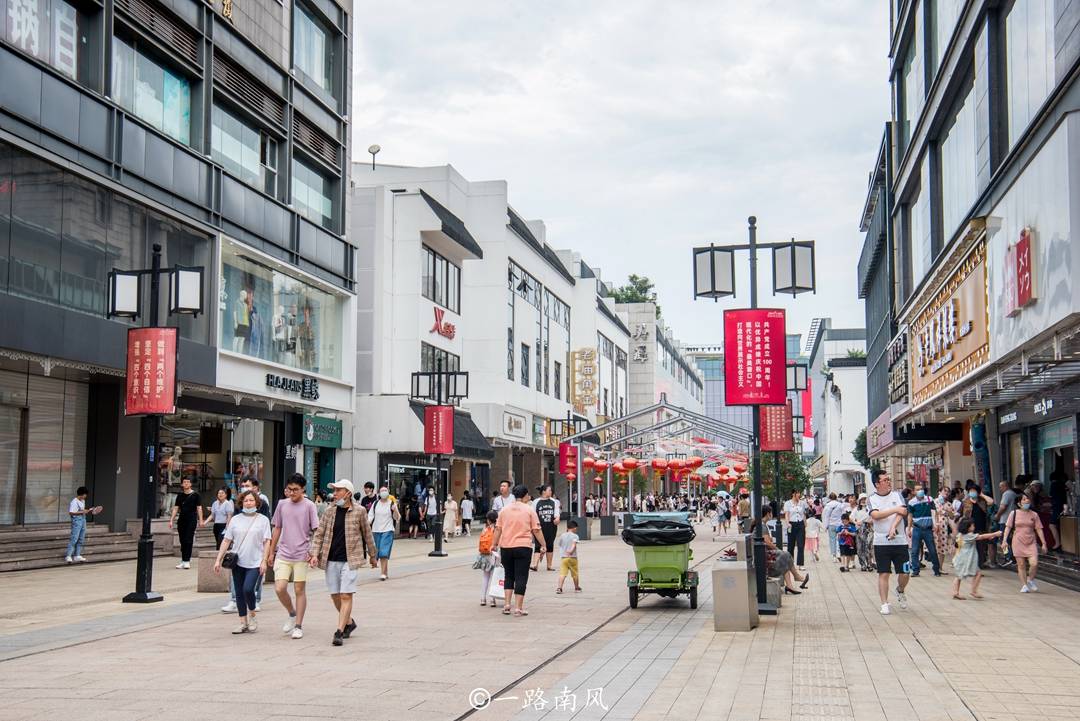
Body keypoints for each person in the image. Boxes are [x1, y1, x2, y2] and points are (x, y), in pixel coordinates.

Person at [308, 480, 377, 647]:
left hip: (350, 560)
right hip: (330, 559)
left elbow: (367, 534)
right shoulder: (329, 511)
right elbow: (319, 534)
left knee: (346, 594)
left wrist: (373, 555)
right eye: (335, 490)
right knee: (335, 595)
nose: (335, 493)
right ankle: (349, 622)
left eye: (339, 490)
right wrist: (314, 554)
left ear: (348, 493)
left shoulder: (359, 511)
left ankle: (339, 631)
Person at [268, 473, 320, 640]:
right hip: (283, 552)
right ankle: (291, 613)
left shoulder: (310, 506)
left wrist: (313, 552)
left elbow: (316, 530)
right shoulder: (282, 504)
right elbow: (277, 528)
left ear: (303, 489)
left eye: (296, 490)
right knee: (280, 588)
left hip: (302, 553)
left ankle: (298, 625)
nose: (292, 493)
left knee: (299, 589)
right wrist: (271, 551)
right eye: (290, 489)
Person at [213, 490, 272, 634]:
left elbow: (267, 542)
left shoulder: (263, 520)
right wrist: (218, 559)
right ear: (241, 503)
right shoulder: (235, 519)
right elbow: (227, 540)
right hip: (238, 561)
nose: (248, 503)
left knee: (248, 589)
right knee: (239, 592)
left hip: (255, 561)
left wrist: (264, 561)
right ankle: (242, 622)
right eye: (246, 500)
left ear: (257, 502)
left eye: (251, 500)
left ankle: (252, 614)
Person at [492, 484, 545, 617]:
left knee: (508, 576)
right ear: (526, 495)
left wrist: (494, 543)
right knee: (521, 577)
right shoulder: (529, 510)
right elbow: (536, 530)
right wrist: (543, 544)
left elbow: (498, 529)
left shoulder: (504, 510)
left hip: (506, 547)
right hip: (523, 547)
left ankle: (507, 605)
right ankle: (518, 608)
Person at [867, 473, 910, 615]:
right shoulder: (872, 499)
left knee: (905, 572)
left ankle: (900, 590)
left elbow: (902, 511)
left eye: (888, 479)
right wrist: (894, 509)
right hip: (881, 542)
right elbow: (875, 515)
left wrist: (893, 527)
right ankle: (884, 603)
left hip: (900, 541)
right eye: (885, 480)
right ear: (877, 484)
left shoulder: (897, 495)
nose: (888, 482)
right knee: (883, 573)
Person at [1002, 490, 1049, 593]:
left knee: (1034, 563)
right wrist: (1004, 540)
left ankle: (1030, 579)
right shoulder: (1013, 513)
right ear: (1019, 503)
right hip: (1018, 541)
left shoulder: (1034, 515)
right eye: (1024, 499)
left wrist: (1044, 543)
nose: (1027, 501)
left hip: (1031, 541)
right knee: (1021, 565)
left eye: (1027, 499)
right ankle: (1024, 585)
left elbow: (1039, 529)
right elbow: (1008, 528)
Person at [759, 507, 810, 593]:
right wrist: (778, 549)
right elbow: (767, 543)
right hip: (762, 555)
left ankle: (791, 584)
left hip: (763, 552)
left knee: (785, 556)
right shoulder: (762, 526)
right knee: (785, 555)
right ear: (768, 513)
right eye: (771, 513)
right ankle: (795, 578)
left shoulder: (762, 525)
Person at [950, 518, 1002, 600]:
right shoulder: (969, 536)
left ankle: (956, 592)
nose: (974, 526)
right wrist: (995, 534)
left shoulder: (960, 534)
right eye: (972, 525)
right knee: (977, 573)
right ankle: (973, 591)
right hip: (966, 560)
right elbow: (981, 537)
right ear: (968, 527)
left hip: (960, 558)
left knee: (959, 576)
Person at [907, 483, 941, 577]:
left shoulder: (929, 499)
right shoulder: (911, 502)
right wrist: (909, 529)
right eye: (917, 490)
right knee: (914, 551)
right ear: (914, 492)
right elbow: (910, 516)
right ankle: (915, 570)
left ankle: (937, 570)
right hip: (917, 528)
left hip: (928, 529)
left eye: (921, 489)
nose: (920, 491)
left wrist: (936, 524)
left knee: (932, 550)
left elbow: (935, 512)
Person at [169, 477, 203, 569]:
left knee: (188, 539)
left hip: (191, 519)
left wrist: (201, 520)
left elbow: (199, 508)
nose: (186, 483)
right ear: (182, 484)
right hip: (181, 519)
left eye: (188, 482)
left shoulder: (196, 495)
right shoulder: (179, 495)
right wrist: (171, 520)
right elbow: (176, 508)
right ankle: (183, 560)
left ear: (191, 484)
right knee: (182, 540)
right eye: (184, 482)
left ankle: (187, 560)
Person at [369, 484, 400, 580]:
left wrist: (395, 511)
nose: (384, 492)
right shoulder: (375, 504)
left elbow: (397, 518)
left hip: (388, 530)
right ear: (379, 493)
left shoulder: (392, 504)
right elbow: (370, 516)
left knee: (383, 552)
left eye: (385, 490)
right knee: (377, 552)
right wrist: (365, 525)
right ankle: (385, 572)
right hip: (376, 530)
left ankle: (382, 573)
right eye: (382, 490)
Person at [65, 486, 100, 563]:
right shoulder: (74, 502)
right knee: (74, 538)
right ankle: (68, 556)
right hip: (76, 521)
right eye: (85, 494)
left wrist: (89, 510)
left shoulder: (83, 501)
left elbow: (82, 510)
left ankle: (77, 555)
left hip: (83, 520)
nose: (86, 496)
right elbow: (71, 512)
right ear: (82, 494)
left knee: (81, 538)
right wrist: (82, 512)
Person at [474, 511, 500, 606]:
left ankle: (483, 598)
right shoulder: (498, 530)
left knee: (485, 577)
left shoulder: (485, 529)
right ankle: (492, 599)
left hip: (485, 555)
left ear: (488, 520)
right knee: (494, 577)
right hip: (494, 555)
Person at [531, 485, 559, 572]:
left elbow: (557, 514)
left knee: (550, 545)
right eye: (549, 490)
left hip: (551, 527)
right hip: (539, 527)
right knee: (538, 545)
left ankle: (549, 565)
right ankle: (535, 565)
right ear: (543, 491)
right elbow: (532, 514)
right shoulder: (536, 502)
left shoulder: (554, 501)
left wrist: (557, 519)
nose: (551, 492)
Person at [782, 490, 809, 567]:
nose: (799, 495)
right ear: (793, 494)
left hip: (800, 524)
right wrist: (788, 523)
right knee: (791, 545)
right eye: (797, 493)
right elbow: (787, 514)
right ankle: (790, 563)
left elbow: (803, 514)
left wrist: (805, 523)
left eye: (799, 493)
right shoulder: (787, 503)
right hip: (791, 524)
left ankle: (800, 564)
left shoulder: (802, 503)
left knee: (801, 544)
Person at [556, 519, 581, 593]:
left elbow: (560, 544)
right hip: (573, 558)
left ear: (567, 528)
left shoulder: (562, 535)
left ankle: (559, 588)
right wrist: (571, 551)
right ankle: (576, 588)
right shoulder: (575, 536)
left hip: (564, 558)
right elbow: (574, 544)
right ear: (575, 528)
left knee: (562, 573)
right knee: (575, 574)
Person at [852, 494, 874, 571]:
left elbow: (874, 518)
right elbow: (851, 518)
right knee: (860, 548)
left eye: (865, 499)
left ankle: (869, 564)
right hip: (859, 530)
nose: (864, 501)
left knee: (868, 547)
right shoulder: (856, 509)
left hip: (869, 529)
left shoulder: (870, 508)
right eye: (862, 499)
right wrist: (856, 522)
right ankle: (863, 564)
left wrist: (870, 521)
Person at [1049, 471, 1068, 551]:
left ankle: (1057, 543)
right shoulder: (1063, 485)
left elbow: (1051, 495)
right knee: (1057, 524)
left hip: (1057, 507)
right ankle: (1059, 543)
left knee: (1052, 524)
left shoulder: (1054, 484)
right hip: (1062, 506)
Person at [822, 493, 844, 561]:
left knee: (832, 540)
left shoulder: (827, 506)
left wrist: (825, 526)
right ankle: (839, 553)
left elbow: (825, 516)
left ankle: (834, 556)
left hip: (831, 524)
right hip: (839, 524)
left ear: (829, 498)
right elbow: (843, 514)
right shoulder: (840, 505)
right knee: (839, 539)